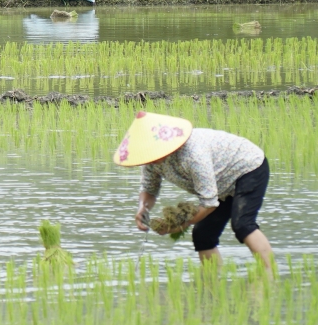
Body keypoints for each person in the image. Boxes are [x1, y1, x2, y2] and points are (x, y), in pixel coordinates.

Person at [115, 110, 274, 271]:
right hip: (220, 185)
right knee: (202, 235)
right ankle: (212, 281)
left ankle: (270, 276)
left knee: (242, 224)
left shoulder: (193, 154)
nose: (152, 159)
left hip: (248, 169)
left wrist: (181, 225)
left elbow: (209, 203)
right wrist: (143, 208)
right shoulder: (151, 161)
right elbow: (149, 189)